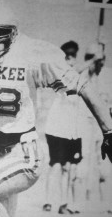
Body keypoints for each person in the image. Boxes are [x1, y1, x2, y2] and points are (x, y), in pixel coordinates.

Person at [0, 0, 112, 217]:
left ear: (13, 34)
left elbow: (82, 86)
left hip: (22, 152)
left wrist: (109, 130)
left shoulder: (33, 53)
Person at [42, 41, 83, 214]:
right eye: (67, 56)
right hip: (56, 128)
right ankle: (50, 202)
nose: (70, 60)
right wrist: (94, 58)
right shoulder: (60, 72)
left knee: (70, 168)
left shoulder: (81, 75)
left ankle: (65, 204)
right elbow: (70, 76)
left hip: (73, 130)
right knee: (56, 166)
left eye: (72, 56)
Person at [78, 42, 112, 214]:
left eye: (99, 59)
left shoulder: (109, 76)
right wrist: (90, 63)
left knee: (105, 168)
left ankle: (106, 204)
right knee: (83, 165)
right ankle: (81, 205)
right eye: (90, 57)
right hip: (85, 124)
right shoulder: (83, 75)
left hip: (104, 128)